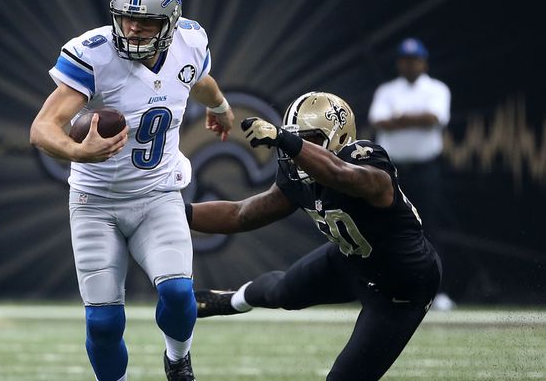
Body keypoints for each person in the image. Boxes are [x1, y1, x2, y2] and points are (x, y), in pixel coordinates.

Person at [30, 0, 234, 381]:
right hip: (95, 203)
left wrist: (219, 107)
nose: (134, 28)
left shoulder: (190, 44)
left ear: (171, 23)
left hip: (157, 193)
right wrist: (77, 151)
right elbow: (41, 129)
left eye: (146, 21)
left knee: (178, 295)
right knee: (103, 323)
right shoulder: (94, 54)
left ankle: (178, 359)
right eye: (126, 17)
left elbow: (199, 81)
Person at [189, 92, 441, 381]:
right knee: (282, 292)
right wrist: (178, 214)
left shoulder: (366, 161)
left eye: (311, 139)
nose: (301, 151)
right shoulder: (299, 177)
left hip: (402, 286)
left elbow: (340, 174)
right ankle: (232, 300)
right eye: (300, 139)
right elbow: (240, 214)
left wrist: (287, 140)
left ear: (339, 137)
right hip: (351, 261)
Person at [367, 37, 455, 311]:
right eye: (404, 60)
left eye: (414, 59)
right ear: (398, 63)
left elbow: (434, 118)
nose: (409, 64)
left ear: (423, 62)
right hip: (391, 173)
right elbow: (378, 120)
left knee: (429, 229)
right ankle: (384, 287)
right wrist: (413, 119)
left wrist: (399, 120)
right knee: (386, 228)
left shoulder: (436, 89)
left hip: (425, 169)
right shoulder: (387, 90)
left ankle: (437, 292)